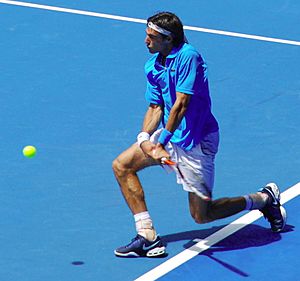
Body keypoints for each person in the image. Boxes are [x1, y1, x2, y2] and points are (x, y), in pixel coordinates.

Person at [112, 12, 287, 258]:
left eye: (151, 37)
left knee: (202, 215)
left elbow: (181, 104)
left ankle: (263, 200)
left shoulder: (189, 58)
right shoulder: (153, 65)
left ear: (168, 40)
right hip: (171, 136)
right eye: (146, 35)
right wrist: (144, 139)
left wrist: (160, 142)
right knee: (122, 166)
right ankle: (148, 236)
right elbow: (155, 107)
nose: (146, 41)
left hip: (196, 142)